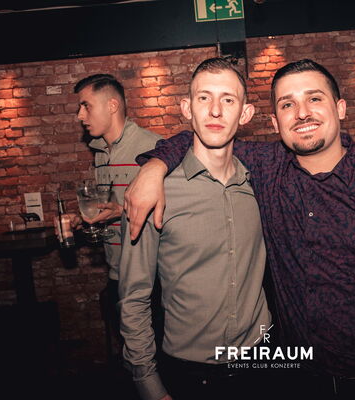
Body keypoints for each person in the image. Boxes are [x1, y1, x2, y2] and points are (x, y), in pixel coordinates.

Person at [124, 59, 355, 398]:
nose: (302, 113)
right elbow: (206, 133)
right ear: (274, 121)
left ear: (340, 108)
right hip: (294, 377)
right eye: (287, 104)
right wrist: (155, 166)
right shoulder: (267, 168)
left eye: (314, 98)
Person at [117, 58, 271, 400]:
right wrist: (148, 384)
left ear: (245, 113)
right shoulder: (153, 192)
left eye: (228, 99)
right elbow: (133, 297)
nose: (215, 110)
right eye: (204, 98)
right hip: (190, 374)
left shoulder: (262, 182)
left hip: (262, 359)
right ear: (187, 108)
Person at [62, 74, 162, 360]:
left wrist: (122, 211)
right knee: (134, 357)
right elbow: (109, 206)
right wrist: (82, 218)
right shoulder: (100, 153)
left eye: (86, 106)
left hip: (152, 279)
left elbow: (173, 211)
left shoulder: (153, 147)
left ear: (112, 106)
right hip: (117, 272)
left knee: (159, 358)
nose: (80, 116)